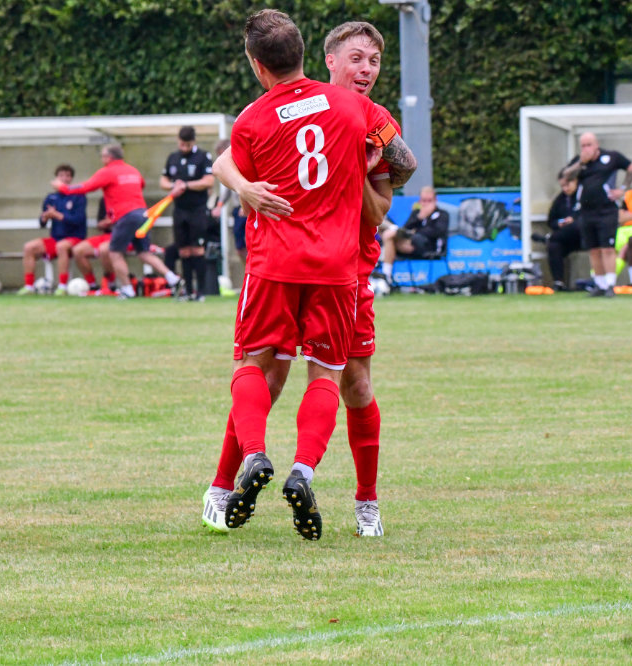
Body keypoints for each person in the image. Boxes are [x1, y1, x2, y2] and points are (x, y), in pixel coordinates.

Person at [202, 20, 415, 539]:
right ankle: (227, 486)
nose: (366, 69)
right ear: (327, 61)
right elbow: (226, 161)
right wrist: (245, 186)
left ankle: (366, 501)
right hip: (328, 269)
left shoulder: (371, 118)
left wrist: (355, 172)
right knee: (276, 378)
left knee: (352, 384)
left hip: (343, 271)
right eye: (357, 59)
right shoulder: (338, 111)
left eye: (374, 61)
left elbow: (386, 199)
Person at [56, 143, 181, 299]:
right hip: (143, 214)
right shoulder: (133, 170)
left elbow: (87, 187)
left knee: (114, 253)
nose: (102, 159)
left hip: (126, 216)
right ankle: (173, 278)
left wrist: (63, 188)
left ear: (108, 157)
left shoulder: (107, 172)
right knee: (144, 253)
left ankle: (127, 290)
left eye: (102, 156)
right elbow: (141, 184)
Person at [561, 132, 632, 297]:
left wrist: (622, 189)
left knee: (607, 248)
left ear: (597, 145)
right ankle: (600, 284)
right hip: (587, 211)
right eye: (583, 145)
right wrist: (581, 163)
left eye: (589, 145)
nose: (586, 148)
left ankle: (610, 284)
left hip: (606, 211)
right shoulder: (580, 162)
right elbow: (566, 176)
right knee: (593, 250)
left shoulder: (611, 157)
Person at [161, 126, 215, 300]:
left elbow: (209, 181)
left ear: (193, 142)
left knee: (197, 250)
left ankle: (201, 292)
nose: (184, 147)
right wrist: (173, 186)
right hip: (179, 211)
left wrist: (186, 185)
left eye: (187, 145)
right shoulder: (173, 157)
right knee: (183, 250)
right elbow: (164, 181)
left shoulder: (203, 157)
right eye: (181, 144)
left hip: (198, 210)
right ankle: (188, 291)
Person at [16, 164, 87, 295]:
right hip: (56, 238)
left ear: (71, 179)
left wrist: (58, 215)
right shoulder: (51, 198)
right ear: (56, 179)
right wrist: (45, 217)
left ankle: (62, 286)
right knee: (29, 247)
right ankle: (29, 286)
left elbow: (78, 220)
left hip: (75, 239)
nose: (64, 178)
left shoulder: (78, 196)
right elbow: (41, 223)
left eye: (67, 176)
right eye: (61, 175)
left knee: (61, 246)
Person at [379, 186, 448, 282]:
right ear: (420, 201)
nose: (426, 204)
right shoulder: (416, 214)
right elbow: (406, 228)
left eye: (429, 201)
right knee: (387, 234)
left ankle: (385, 272)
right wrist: (419, 218)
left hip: (429, 247)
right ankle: (386, 276)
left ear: (435, 200)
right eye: (424, 200)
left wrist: (416, 231)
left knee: (389, 235)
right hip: (411, 243)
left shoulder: (442, 214)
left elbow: (438, 231)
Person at [535, 173, 581, 290]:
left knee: (574, 226)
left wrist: (574, 219)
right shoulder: (560, 199)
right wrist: (559, 223)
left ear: (575, 181)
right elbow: (551, 220)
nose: (565, 189)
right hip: (565, 238)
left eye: (567, 185)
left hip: (583, 235)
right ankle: (558, 282)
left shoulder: (583, 195)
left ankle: (548, 238)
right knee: (554, 246)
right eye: (562, 186)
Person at [210, 138, 248, 265]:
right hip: (238, 210)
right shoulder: (228, 170)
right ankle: (248, 269)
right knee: (239, 247)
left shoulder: (243, 163)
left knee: (252, 243)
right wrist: (219, 206)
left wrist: (246, 204)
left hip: (248, 208)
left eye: (222, 155)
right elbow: (227, 190)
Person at [70, 197, 118, 292]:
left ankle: (111, 284)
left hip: (123, 235)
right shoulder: (104, 199)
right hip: (106, 235)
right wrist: (104, 223)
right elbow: (99, 224)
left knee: (104, 249)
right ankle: (92, 285)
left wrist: (114, 220)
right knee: (77, 250)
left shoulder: (126, 199)